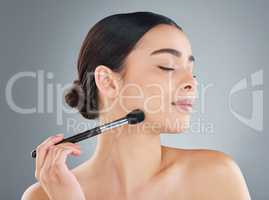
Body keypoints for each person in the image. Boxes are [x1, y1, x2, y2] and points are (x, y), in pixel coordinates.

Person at [22, 11, 251, 200]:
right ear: (108, 82)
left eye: (192, 71)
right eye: (167, 67)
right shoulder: (45, 196)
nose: (192, 83)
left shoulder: (215, 176)